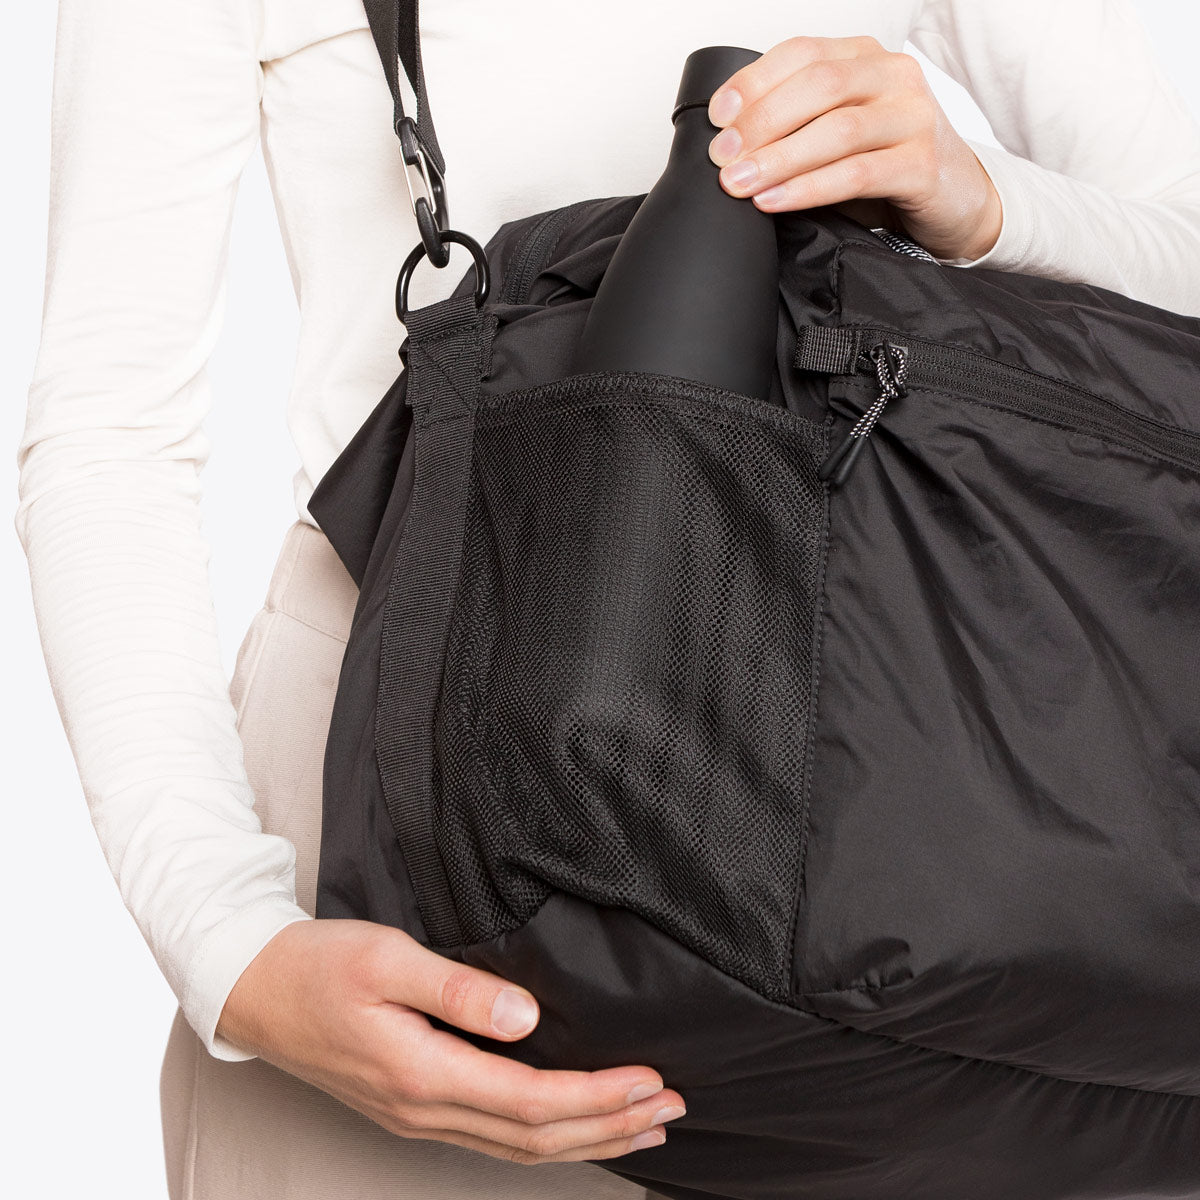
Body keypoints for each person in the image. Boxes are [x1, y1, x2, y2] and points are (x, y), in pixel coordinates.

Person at [15, 0, 1200, 1196]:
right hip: (411, 804)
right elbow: (111, 438)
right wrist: (233, 951)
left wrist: (988, 203)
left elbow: (1182, 262)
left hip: (875, 787)